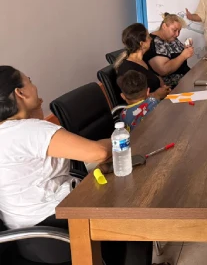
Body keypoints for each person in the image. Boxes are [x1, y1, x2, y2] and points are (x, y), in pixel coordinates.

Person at [0, 66, 168, 265]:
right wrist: (122, 137)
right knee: (136, 211)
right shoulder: (27, 131)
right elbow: (99, 152)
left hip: (29, 235)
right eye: (29, 81)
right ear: (20, 93)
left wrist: (33, 111)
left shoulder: (9, 131)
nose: (34, 86)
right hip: (56, 230)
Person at [114, 23, 170, 100]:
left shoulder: (143, 59)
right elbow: (134, 99)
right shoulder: (127, 69)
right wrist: (157, 94)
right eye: (148, 37)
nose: (151, 39)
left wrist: (162, 86)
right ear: (142, 44)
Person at [144, 13, 194, 88]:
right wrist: (183, 56)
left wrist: (186, 48)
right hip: (172, 87)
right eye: (174, 30)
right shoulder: (154, 42)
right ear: (164, 26)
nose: (177, 34)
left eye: (179, 31)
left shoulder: (171, 38)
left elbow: (177, 53)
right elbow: (164, 70)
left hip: (186, 80)